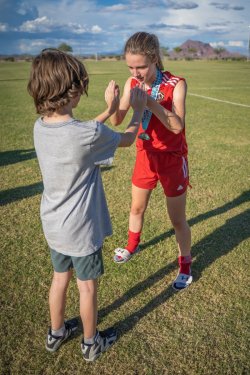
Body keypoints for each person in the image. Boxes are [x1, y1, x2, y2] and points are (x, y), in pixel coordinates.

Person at [27, 48, 146, 362]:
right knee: (87, 288)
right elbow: (126, 138)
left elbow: (81, 135)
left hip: (54, 225)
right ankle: (91, 343)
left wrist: (108, 111)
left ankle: (56, 334)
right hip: (81, 230)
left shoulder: (41, 127)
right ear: (73, 91)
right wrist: (138, 110)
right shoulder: (87, 134)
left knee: (59, 280)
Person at [110, 32, 192, 291]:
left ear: (155, 58)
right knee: (136, 209)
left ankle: (185, 265)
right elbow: (117, 121)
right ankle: (132, 245)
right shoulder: (131, 82)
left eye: (141, 66)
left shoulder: (177, 83)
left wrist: (149, 102)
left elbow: (177, 126)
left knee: (177, 220)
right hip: (145, 155)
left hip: (171, 158)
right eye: (131, 67)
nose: (136, 72)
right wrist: (113, 105)